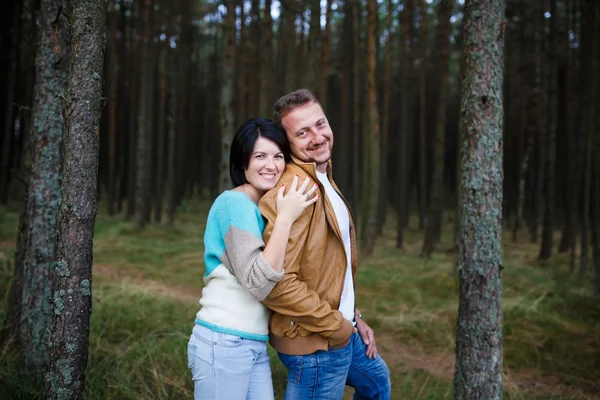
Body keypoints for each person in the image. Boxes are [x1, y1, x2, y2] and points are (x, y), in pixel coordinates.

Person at [258, 89, 392, 399]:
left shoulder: (323, 177)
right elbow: (276, 283)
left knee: (377, 382)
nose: (317, 137)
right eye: (302, 132)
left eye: (320, 124)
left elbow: (329, 267)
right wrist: (337, 327)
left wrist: (354, 318)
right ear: (286, 143)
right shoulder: (296, 190)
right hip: (315, 344)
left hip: (339, 329)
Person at [187, 118, 319, 400]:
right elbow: (258, 283)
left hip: (253, 342)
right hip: (223, 340)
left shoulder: (260, 207)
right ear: (242, 161)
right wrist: (286, 217)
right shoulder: (236, 203)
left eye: (278, 156)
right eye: (260, 156)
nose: (271, 165)